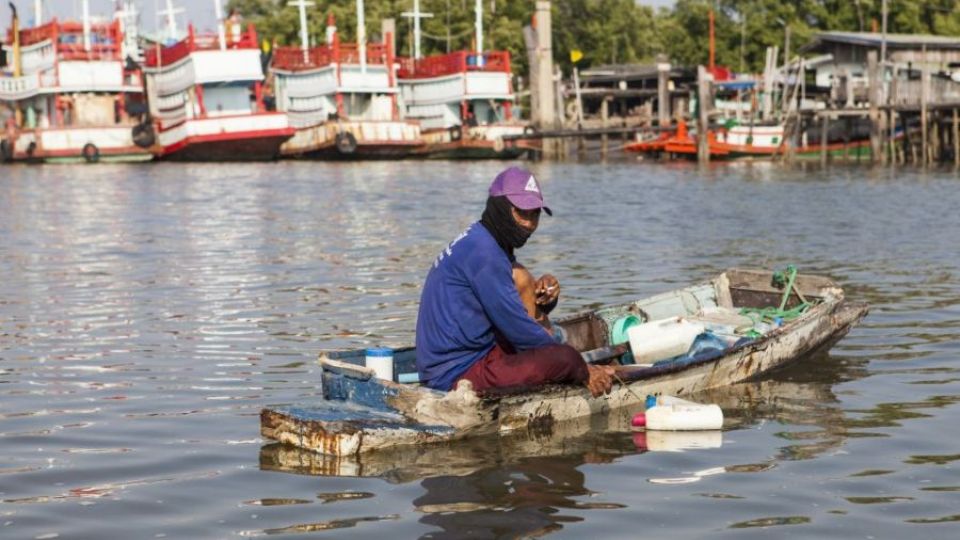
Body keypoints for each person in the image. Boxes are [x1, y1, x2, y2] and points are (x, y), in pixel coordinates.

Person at [415, 166, 614, 397]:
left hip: (473, 353)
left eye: (535, 215)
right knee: (566, 358)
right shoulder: (485, 254)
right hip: (453, 375)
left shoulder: (482, 238)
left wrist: (545, 304)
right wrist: (582, 368)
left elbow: (509, 305)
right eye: (522, 213)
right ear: (500, 207)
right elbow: (517, 328)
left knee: (520, 277)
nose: (529, 224)